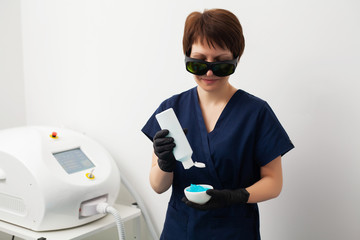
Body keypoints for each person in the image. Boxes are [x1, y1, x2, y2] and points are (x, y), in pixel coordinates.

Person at [142, 8, 294, 240]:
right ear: (187, 56)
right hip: (181, 230)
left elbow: (273, 183)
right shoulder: (171, 110)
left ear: (236, 59)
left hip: (235, 231)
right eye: (199, 63)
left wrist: (234, 196)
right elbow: (158, 186)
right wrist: (164, 162)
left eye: (222, 64)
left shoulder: (256, 112)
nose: (209, 71)